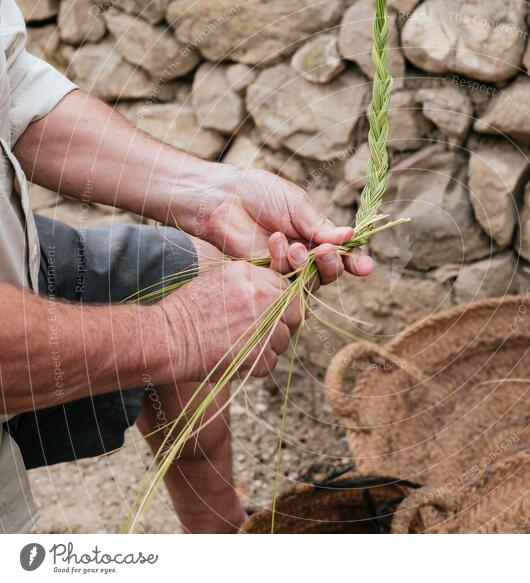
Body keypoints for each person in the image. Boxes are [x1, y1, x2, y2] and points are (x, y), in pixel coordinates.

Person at [0, 0, 372, 533]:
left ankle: (218, 530)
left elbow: (15, 93)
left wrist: (215, 195)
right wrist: (181, 329)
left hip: (18, 253)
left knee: (184, 268)